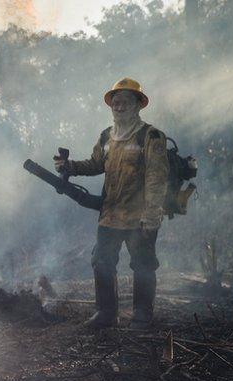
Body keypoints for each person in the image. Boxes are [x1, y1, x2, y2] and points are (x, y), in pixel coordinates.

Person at [55, 78, 169, 329]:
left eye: (125, 102)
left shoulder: (150, 137)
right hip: (110, 214)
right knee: (102, 261)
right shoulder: (107, 136)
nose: (119, 106)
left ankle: (142, 314)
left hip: (140, 215)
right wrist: (70, 167)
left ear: (138, 105)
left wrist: (152, 213)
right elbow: (96, 164)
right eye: (115, 102)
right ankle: (106, 313)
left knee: (143, 264)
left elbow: (156, 178)